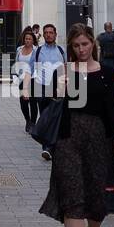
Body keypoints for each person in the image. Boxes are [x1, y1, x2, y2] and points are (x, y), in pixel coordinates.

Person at [39, 23, 114, 227]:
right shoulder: (63, 71)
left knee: (97, 200)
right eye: (76, 46)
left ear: (92, 44)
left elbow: (112, 103)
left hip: (97, 136)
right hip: (68, 137)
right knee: (73, 196)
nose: (81, 49)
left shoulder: (106, 72)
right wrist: (59, 91)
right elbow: (49, 103)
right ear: (71, 48)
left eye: (85, 44)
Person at [31, 23, 68, 163]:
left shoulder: (61, 50)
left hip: (58, 89)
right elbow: (33, 69)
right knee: (44, 118)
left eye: (51, 32)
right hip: (42, 88)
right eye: (46, 32)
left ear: (55, 34)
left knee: (55, 118)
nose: (48, 35)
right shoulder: (38, 51)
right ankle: (46, 147)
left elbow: (66, 67)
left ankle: (49, 147)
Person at [12, 27, 39, 131]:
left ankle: (33, 123)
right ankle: (27, 120)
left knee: (33, 102)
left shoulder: (36, 50)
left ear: (33, 40)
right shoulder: (19, 49)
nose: (27, 40)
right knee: (23, 102)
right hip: (22, 79)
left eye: (29, 39)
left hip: (33, 79)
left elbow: (37, 65)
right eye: (26, 39)